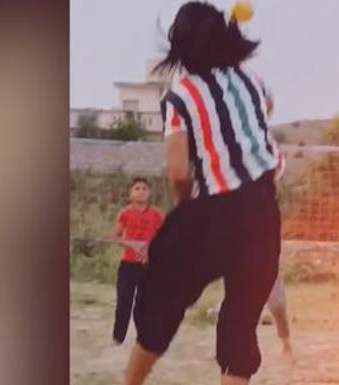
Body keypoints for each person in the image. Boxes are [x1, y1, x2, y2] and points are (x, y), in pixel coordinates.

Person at [121, 2, 284, 385]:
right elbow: (268, 108)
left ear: (181, 47)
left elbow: (179, 172)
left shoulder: (182, 94)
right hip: (262, 210)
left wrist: (188, 206)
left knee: (161, 299)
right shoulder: (253, 80)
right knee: (241, 322)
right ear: (226, 37)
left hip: (212, 209)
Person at [110, 177, 164, 345]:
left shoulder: (156, 214)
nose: (141, 191)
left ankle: (145, 339)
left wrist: (150, 249)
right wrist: (133, 245)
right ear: (130, 194)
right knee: (124, 301)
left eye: (144, 188)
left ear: (149, 193)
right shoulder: (125, 213)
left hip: (149, 266)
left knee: (146, 303)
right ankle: (118, 338)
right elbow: (115, 237)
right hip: (128, 265)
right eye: (137, 188)